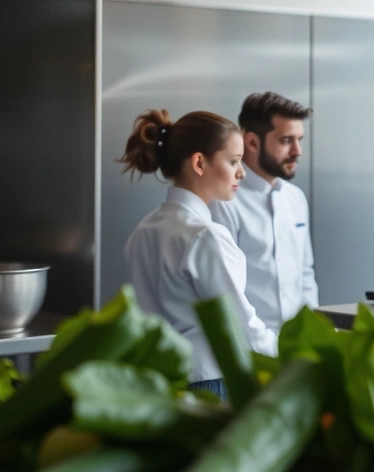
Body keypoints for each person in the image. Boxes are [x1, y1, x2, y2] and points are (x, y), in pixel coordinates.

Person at [119, 109, 278, 399]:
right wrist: (290, 352)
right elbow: (239, 324)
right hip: (209, 383)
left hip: (159, 383)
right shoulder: (205, 235)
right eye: (233, 162)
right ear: (199, 162)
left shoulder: (143, 230)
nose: (242, 172)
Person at [210, 92, 318, 334]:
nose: (297, 150)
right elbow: (225, 290)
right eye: (286, 140)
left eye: (300, 139)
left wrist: (313, 335)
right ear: (251, 142)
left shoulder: (295, 198)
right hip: (251, 347)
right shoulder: (225, 201)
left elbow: (305, 274)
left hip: (296, 347)